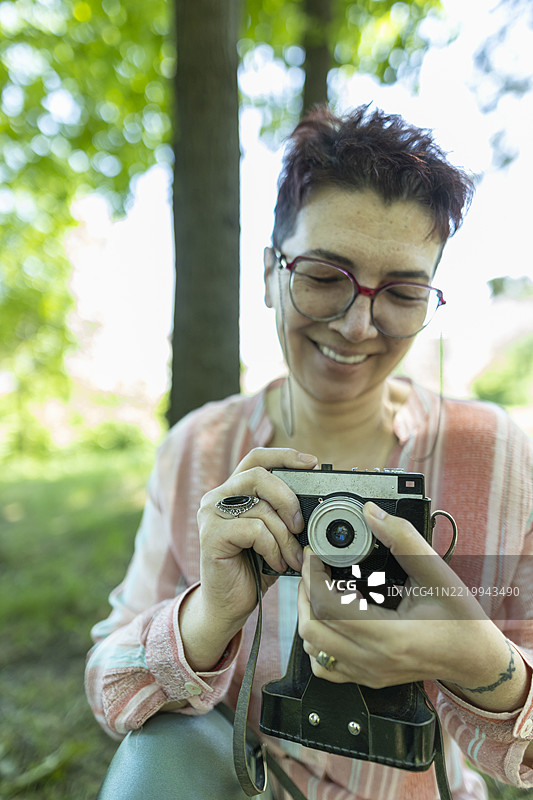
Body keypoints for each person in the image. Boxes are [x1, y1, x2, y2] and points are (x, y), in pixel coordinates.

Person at [85, 105, 533, 800]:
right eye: (324, 276)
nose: (357, 323)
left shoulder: (494, 459)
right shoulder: (200, 451)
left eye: (403, 293)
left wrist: (482, 664)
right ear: (269, 274)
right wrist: (209, 618)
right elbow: (110, 681)